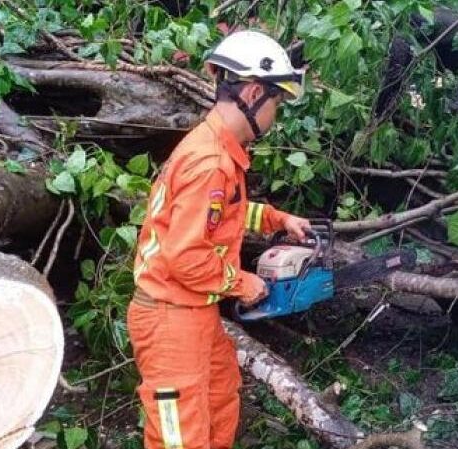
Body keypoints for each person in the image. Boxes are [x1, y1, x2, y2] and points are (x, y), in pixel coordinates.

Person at [127, 30, 311, 449]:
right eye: (276, 103)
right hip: (172, 316)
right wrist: (244, 283)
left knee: (221, 398)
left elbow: (219, 216)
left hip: (195, 312)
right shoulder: (209, 162)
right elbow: (187, 257)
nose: (274, 116)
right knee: (180, 438)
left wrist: (277, 219)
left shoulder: (218, 152)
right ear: (252, 92)